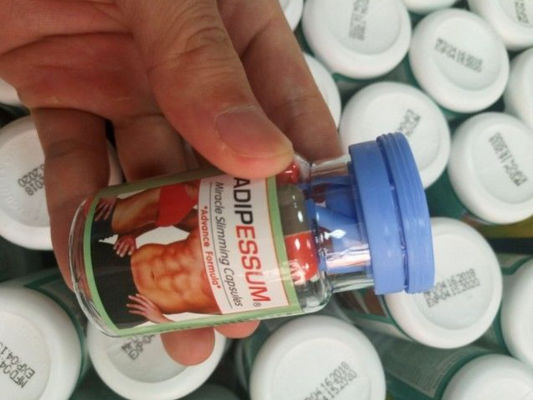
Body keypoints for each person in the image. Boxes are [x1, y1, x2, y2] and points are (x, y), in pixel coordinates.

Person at [0, 0, 340, 366]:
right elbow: (188, 206)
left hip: (135, 298)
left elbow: (216, 310)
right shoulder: (238, 242)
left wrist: (158, 317)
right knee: (178, 196)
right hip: (123, 252)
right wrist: (137, 229)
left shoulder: (286, 278)